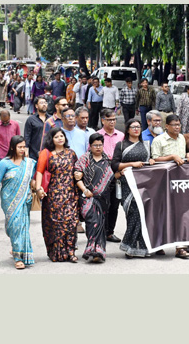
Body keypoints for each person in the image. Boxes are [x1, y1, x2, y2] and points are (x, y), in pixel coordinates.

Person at [0, 135, 37, 270]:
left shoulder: (30, 163)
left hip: (25, 199)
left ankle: (18, 254)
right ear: (13, 147)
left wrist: (37, 188)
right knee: (14, 226)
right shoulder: (4, 163)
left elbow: (33, 179)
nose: (22, 149)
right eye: (20, 147)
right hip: (9, 200)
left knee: (22, 226)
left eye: (24, 147)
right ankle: (18, 256)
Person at [151, 114, 189, 259]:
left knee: (180, 213)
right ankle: (159, 244)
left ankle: (180, 247)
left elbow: (182, 155)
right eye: (174, 125)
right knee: (162, 213)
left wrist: (188, 154)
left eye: (179, 125)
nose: (177, 127)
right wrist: (171, 157)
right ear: (167, 126)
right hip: (162, 181)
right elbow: (154, 159)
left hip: (179, 182)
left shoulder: (182, 138)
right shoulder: (158, 140)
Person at [111, 119, 156, 258]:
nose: (136, 129)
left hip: (143, 184)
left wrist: (152, 161)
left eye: (138, 127)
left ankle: (140, 247)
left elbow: (151, 162)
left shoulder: (146, 145)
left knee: (142, 216)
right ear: (128, 129)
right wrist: (131, 164)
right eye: (133, 127)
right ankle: (130, 246)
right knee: (132, 214)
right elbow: (114, 165)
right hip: (127, 184)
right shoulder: (121, 145)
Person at [36, 127, 80, 262]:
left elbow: (77, 169)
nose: (60, 138)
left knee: (71, 223)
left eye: (62, 136)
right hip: (54, 194)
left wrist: (80, 174)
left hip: (70, 193)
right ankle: (58, 253)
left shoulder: (71, 153)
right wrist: (38, 188)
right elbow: (39, 171)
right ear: (52, 139)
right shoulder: (47, 153)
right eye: (57, 137)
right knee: (56, 224)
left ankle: (71, 252)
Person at [73, 133, 115, 263]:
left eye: (100, 145)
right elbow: (77, 178)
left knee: (101, 224)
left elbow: (111, 177)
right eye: (95, 145)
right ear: (90, 146)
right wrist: (85, 190)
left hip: (103, 198)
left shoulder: (107, 160)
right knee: (92, 222)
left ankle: (99, 251)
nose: (98, 147)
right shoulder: (84, 159)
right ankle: (91, 248)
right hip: (87, 198)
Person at [96, 108, 125, 243]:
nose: (112, 122)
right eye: (109, 120)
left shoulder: (121, 136)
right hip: (101, 174)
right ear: (103, 120)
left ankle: (110, 232)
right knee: (102, 205)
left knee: (114, 204)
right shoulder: (97, 135)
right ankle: (101, 230)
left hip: (117, 174)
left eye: (114, 119)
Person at [0, 110, 22, 186]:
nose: (5, 123)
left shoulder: (15, 124)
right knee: (3, 172)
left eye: (7, 121)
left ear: (9, 117)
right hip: (0, 153)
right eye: (3, 121)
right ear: (0, 117)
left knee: (11, 172)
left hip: (12, 153)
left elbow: (19, 138)